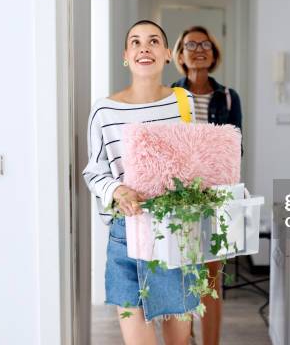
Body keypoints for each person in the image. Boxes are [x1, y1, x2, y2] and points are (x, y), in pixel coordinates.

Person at [83, 20, 197, 345]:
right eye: (135, 42)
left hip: (177, 231)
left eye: (153, 41)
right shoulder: (104, 110)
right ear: (125, 55)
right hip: (127, 236)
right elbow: (94, 171)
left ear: (166, 55)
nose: (143, 47)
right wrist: (116, 190)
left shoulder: (183, 102)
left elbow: (198, 160)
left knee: (179, 341)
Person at [171, 26, 243, 345]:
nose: (199, 49)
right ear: (180, 54)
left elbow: (235, 148)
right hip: (176, 196)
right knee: (184, 277)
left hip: (216, 196)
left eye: (206, 44)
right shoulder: (168, 95)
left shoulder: (228, 97)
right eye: (191, 45)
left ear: (214, 54)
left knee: (212, 277)